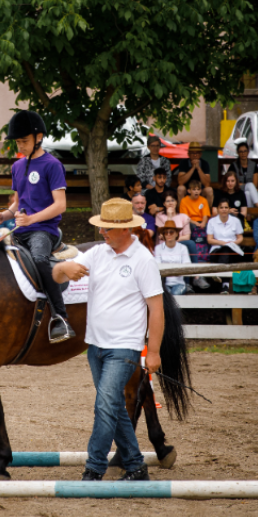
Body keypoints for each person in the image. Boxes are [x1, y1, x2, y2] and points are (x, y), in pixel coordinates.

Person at [52, 197, 163, 482]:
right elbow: (56, 274)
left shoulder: (143, 261)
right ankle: (136, 466)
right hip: (96, 346)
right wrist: (65, 269)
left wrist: (154, 353)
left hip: (124, 347)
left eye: (107, 228)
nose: (102, 232)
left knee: (104, 404)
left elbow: (157, 310)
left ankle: (95, 467)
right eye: (102, 227)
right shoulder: (99, 253)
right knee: (112, 406)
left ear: (126, 229)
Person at [0, 110, 74, 343]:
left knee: (39, 259)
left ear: (39, 137)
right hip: (20, 229)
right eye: (17, 142)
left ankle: (60, 317)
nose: (21, 146)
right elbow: (18, 203)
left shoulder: (52, 165)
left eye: (24, 141)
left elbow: (61, 205)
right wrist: (4, 215)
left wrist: (31, 220)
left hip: (43, 230)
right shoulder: (17, 167)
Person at [206, 200, 244, 293]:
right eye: (221, 207)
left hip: (233, 250)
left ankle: (220, 276)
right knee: (225, 250)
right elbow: (209, 239)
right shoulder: (212, 221)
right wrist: (223, 243)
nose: (224, 209)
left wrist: (233, 243)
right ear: (218, 209)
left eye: (226, 207)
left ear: (229, 209)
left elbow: (240, 238)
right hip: (216, 251)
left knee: (227, 250)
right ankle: (225, 285)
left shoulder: (235, 221)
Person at [155, 192, 201, 268]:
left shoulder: (183, 217)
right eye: (168, 201)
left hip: (180, 244)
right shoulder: (159, 216)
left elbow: (187, 237)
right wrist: (169, 216)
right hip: (164, 246)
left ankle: (196, 275)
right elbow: (162, 236)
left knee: (190, 243)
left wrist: (173, 239)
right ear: (164, 204)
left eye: (173, 200)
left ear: (176, 202)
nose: (170, 203)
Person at [154, 221, 192, 295]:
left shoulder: (182, 248)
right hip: (163, 284)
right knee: (167, 296)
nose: (168, 234)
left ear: (176, 234)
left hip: (179, 283)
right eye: (166, 232)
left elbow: (187, 265)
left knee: (173, 296)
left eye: (171, 232)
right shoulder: (158, 248)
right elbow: (157, 266)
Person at [180, 179, 211, 263]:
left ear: (201, 191)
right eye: (194, 189)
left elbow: (205, 215)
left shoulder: (203, 200)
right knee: (190, 227)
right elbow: (185, 217)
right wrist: (195, 223)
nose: (196, 191)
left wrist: (204, 222)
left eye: (198, 189)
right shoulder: (184, 201)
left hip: (201, 222)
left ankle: (206, 255)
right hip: (190, 222)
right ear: (189, 191)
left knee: (209, 227)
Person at [227, 141, 258, 207]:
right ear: (238, 153)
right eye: (241, 151)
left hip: (250, 191)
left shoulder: (253, 165)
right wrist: (246, 185)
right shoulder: (234, 165)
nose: (243, 153)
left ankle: (248, 215)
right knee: (250, 185)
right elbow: (233, 182)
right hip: (237, 190)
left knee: (247, 193)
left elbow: (255, 184)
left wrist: (243, 184)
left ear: (248, 152)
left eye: (245, 151)